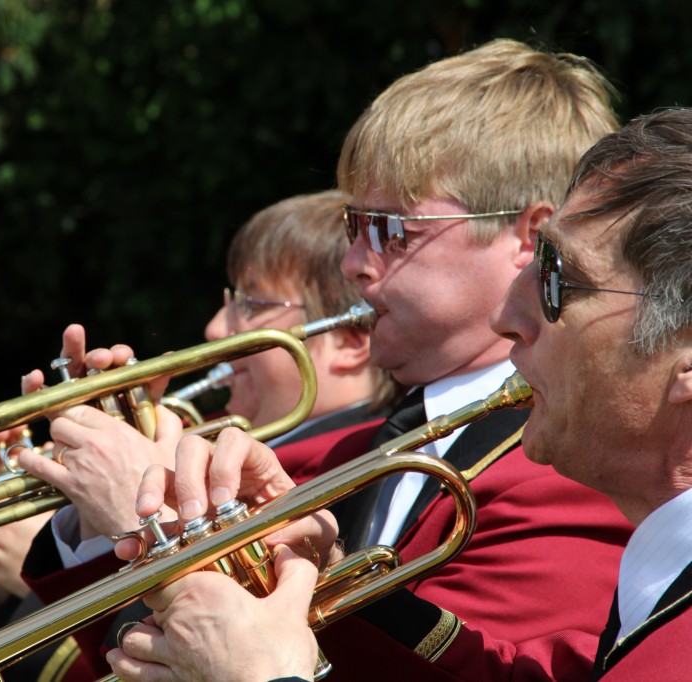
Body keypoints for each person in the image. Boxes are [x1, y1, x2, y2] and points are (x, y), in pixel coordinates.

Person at [106, 38, 634, 681]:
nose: (354, 262)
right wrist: (130, 514)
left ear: (528, 237)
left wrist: (134, 512)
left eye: (388, 230)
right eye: (353, 228)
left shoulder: (568, 469)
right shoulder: (365, 448)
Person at [0, 190, 394, 680]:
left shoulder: (350, 479)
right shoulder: (216, 449)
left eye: (252, 304)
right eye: (228, 300)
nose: (217, 326)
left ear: (349, 340)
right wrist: (86, 528)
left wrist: (133, 504)